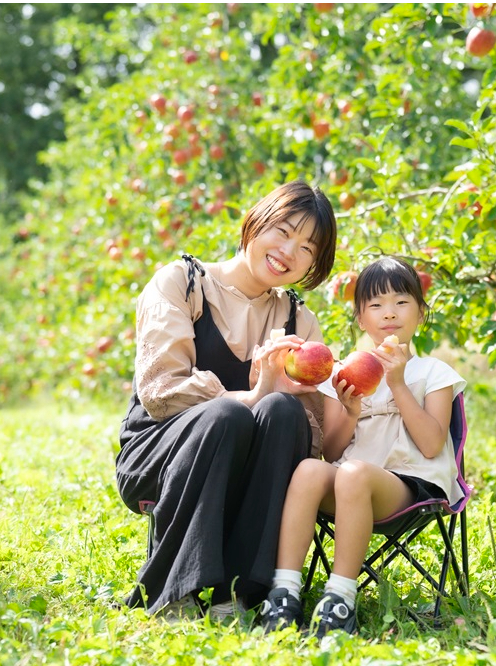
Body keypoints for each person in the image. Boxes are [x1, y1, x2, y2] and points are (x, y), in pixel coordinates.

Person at [115, 180, 337, 621]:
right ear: (255, 222)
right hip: (160, 451)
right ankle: (174, 590)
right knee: (229, 413)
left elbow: (308, 442)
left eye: (308, 248)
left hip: (248, 466)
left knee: (284, 409)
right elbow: (160, 393)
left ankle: (238, 595)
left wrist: (286, 396)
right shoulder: (183, 283)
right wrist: (253, 393)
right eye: (284, 230)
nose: (290, 251)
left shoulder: (298, 320)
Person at [260, 256, 466, 637]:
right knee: (309, 469)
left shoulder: (434, 374)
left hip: (409, 485)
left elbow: (431, 442)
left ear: (421, 313)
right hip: (349, 481)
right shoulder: (344, 373)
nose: (389, 313)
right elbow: (334, 452)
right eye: (375, 305)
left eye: (402, 302)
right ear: (360, 318)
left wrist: (399, 383)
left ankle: (340, 599)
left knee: (353, 474)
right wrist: (351, 412)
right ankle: (284, 591)